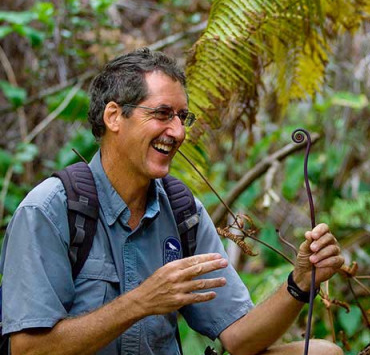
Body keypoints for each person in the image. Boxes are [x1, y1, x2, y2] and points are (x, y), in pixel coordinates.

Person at [0, 48, 345, 355]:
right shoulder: (49, 210)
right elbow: (28, 348)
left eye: (183, 117)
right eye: (163, 114)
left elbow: (240, 338)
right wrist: (140, 302)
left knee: (322, 352)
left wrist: (300, 283)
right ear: (114, 116)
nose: (178, 132)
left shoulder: (183, 212)